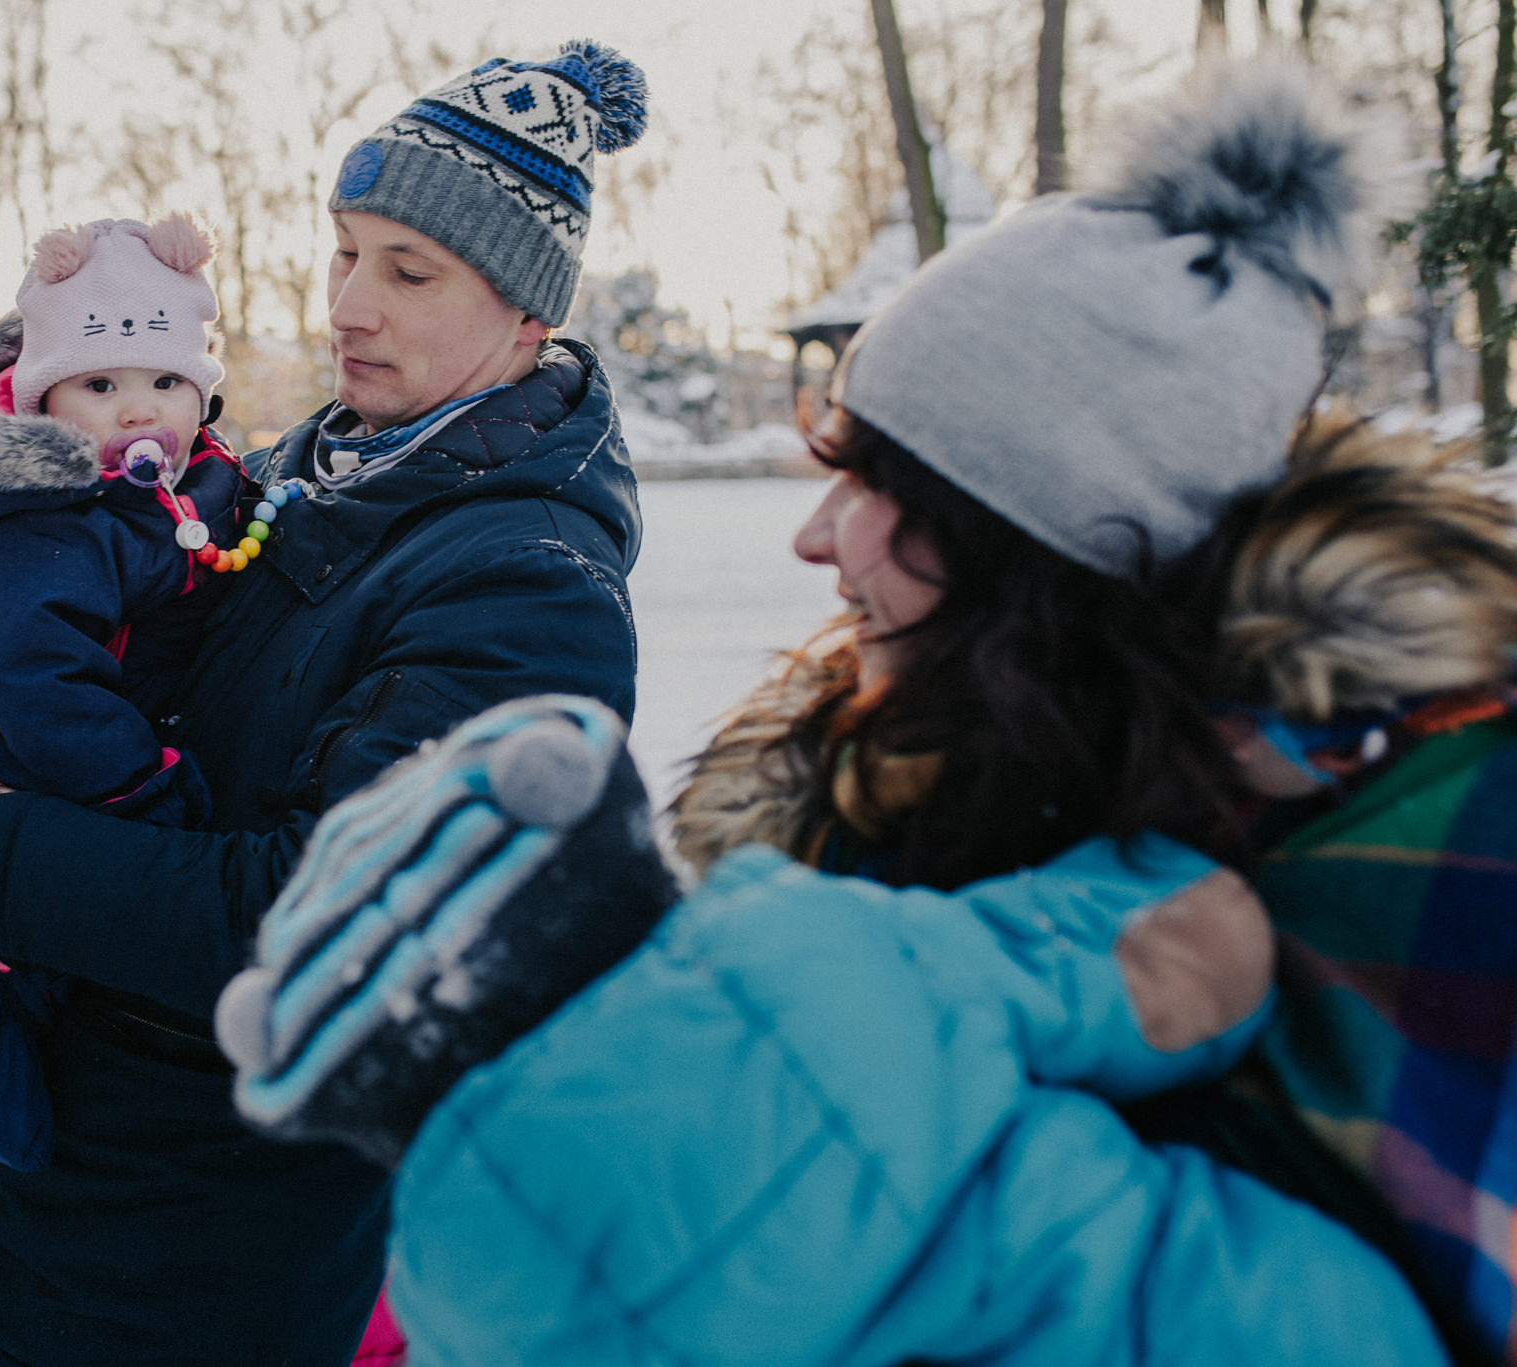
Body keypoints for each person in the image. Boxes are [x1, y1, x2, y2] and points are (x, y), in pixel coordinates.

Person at [213, 65, 1493, 1364]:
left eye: (873, 481)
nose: (814, 537)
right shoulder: (855, 775)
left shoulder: (1430, 865)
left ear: (1029, 541)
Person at [0, 39, 651, 1367]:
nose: (349, 302)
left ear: (526, 311)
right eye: (345, 249)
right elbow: (52, 650)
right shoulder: (289, 474)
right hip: (78, 1176)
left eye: (409, 271)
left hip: (215, 1240)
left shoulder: (527, 588)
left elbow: (330, 927)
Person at [0, 212, 242, 1175]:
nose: (141, 411)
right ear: (45, 399)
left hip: (88, 726)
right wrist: (143, 788)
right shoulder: (23, 512)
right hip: (9, 736)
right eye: (101, 385)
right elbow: (39, 680)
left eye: (168, 382)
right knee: (20, 946)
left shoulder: (178, 482)